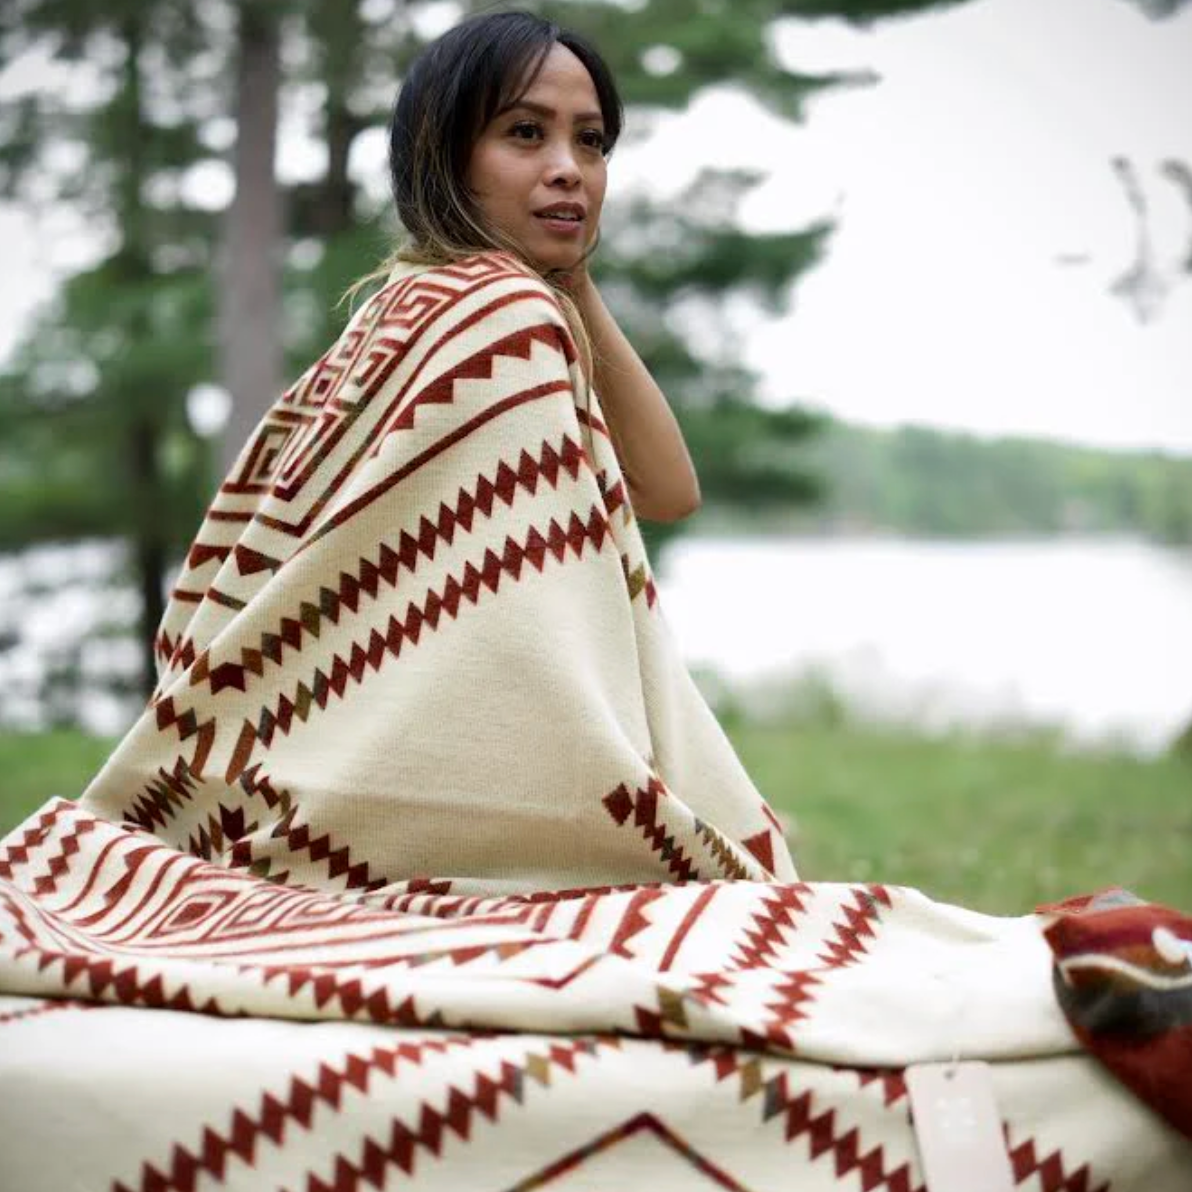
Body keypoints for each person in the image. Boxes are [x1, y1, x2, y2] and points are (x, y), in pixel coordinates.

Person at [382, 9, 701, 524]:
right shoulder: (497, 315)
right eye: (527, 131)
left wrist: (574, 279)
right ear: (444, 154)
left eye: (591, 140)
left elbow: (667, 493)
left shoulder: (412, 306)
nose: (569, 170)